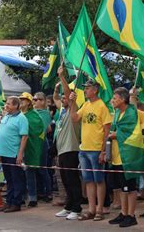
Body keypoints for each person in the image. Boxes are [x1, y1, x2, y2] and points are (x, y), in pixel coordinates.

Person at [69, 79, 112, 221]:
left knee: (99, 180)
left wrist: (103, 151)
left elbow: (107, 130)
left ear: (95, 90)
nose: (85, 90)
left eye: (87, 88)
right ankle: (91, 208)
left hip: (96, 149)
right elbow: (74, 118)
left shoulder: (102, 106)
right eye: (85, 88)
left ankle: (100, 208)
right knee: (88, 180)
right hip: (84, 149)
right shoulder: (86, 104)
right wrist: (72, 103)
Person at [107, 87, 144, 228]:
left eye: (115, 98)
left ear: (123, 99)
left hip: (129, 155)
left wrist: (115, 135)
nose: (112, 100)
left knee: (130, 188)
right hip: (117, 155)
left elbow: (132, 132)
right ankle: (123, 213)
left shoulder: (132, 113)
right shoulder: (117, 112)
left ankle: (131, 215)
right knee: (121, 187)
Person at [54, 68, 82, 220]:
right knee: (65, 180)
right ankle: (69, 205)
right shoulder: (62, 111)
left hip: (71, 149)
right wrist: (56, 89)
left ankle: (77, 208)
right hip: (61, 150)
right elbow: (56, 98)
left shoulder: (73, 108)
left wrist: (61, 76)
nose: (62, 100)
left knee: (72, 180)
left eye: (65, 98)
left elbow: (66, 94)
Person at [0, 96, 29, 213]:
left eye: (9, 104)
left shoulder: (21, 118)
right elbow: (0, 130)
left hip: (13, 153)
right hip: (3, 153)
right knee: (8, 179)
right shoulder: (7, 116)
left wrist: (20, 154)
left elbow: (24, 137)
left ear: (16, 106)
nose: (6, 105)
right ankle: (9, 201)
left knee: (16, 179)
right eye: (6, 103)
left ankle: (16, 202)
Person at [19, 92, 45, 207]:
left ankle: (33, 198)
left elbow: (38, 129)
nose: (21, 102)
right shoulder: (18, 115)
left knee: (30, 173)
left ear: (29, 102)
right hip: (18, 147)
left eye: (23, 100)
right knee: (19, 174)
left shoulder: (33, 115)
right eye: (20, 100)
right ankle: (21, 196)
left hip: (30, 146)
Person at [33, 91, 53, 202]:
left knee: (42, 169)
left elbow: (45, 129)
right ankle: (39, 191)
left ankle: (48, 192)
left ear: (44, 101)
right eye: (35, 99)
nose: (36, 102)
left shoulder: (44, 113)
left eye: (39, 99)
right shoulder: (32, 112)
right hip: (32, 144)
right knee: (35, 169)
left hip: (41, 143)